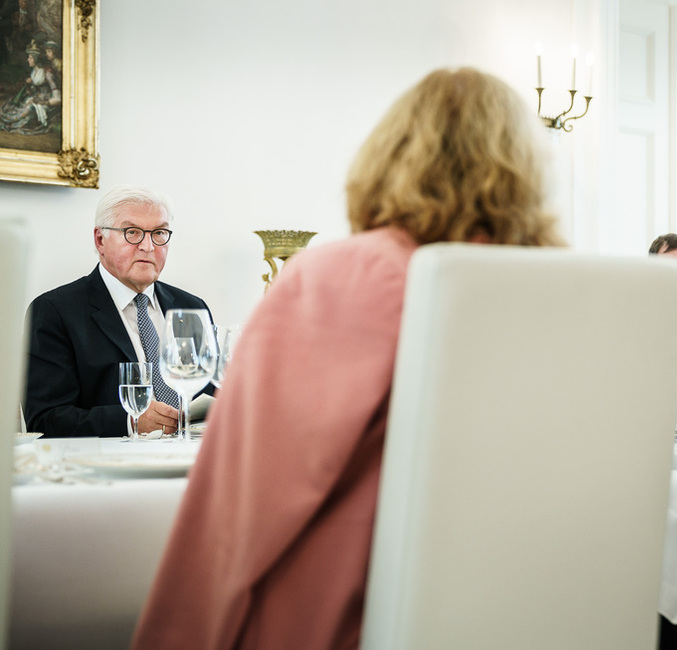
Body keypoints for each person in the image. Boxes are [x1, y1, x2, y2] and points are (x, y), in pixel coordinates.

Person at [131, 66, 562, 650]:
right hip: (530, 610)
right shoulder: (562, 292)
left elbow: (240, 504)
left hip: (355, 613)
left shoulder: (342, 277)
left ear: (390, 158)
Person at [24, 185, 214, 438]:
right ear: (100, 240)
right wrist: (131, 420)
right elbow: (45, 419)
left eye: (159, 233)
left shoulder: (191, 307)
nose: (148, 246)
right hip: (107, 467)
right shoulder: (55, 311)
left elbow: (212, 395)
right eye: (132, 232)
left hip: (191, 457)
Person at [0, 39, 60, 136]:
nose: (28, 60)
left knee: (28, 109)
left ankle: (13, 124)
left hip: (44, 101)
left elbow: (58, 98)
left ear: (36, 59)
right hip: (34, 97)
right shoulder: (34, 72)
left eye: (31, 58)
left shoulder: (48, 73)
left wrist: (43, 102)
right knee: (11, 105)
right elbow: (32, 87)